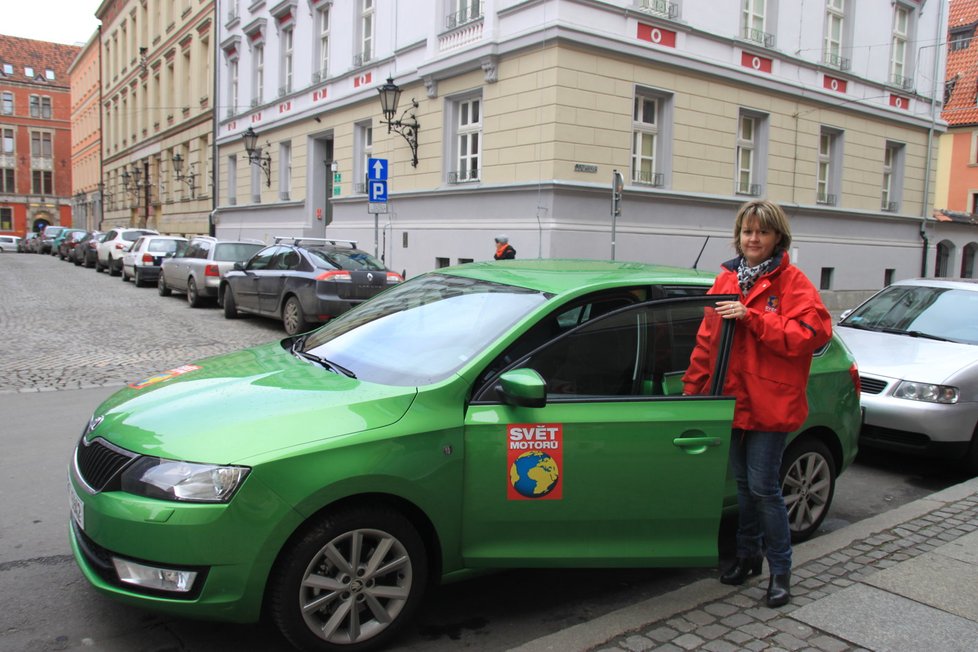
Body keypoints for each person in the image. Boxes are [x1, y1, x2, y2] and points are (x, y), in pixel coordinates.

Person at [681, 199, 831, 608]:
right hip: (730, 401)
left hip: (770, 405)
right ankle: (748, 558)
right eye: (748, 231)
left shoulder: (792, 282)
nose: (753, 239)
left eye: (761, 232)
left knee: (765, 489)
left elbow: (811, 335)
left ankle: (780, 572)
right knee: (745, 488)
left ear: (776, 237)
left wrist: (753, 318)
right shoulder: (726, 278)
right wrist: (693, 396)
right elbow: (706, 342)